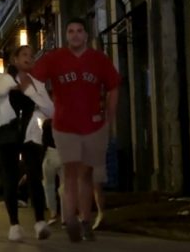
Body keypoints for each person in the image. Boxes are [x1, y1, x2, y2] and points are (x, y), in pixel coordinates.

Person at [31, 18, 119, 243]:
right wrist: (44, 105)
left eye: (79, 31)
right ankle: (70, 218)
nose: (75, 35)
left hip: (93, 125)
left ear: (86, 35)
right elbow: (35, 79)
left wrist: (110, 114)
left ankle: (85, 220)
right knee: (70, 172)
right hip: (65, 125)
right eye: (71, 31)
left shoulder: (99, 60)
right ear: (66, 36)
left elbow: (113, 85)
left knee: (87, 174)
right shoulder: (55, 58)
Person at [0, 45, 53, 241]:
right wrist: (22, 88)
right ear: (15, 59)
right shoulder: (3, 78)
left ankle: (39, 222)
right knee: (10, 179)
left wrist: (31, 91)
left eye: (32, 55)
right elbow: (1, 90)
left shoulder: (38, 84)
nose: (29, 58)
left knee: (35, 177)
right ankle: (14, 225)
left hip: (30, 136)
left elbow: (50, 110)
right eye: (24, 55)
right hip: (8, 137)